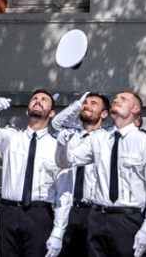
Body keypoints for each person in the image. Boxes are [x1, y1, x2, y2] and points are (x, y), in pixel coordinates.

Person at [56, 91, 146, 257]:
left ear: (135, 109)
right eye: (116, 98)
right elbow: (66, 162)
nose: (117, 100)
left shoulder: (145, 141)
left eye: (123, 99)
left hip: (128, 218)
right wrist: (62, 146)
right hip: (98, 217)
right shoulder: (99, 138)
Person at [0, 90, 60, 257]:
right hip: (9, 212)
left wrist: (58, 230)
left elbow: (64, 191)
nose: (38, 101)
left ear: (52, 113)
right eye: (34, 99)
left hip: (40, 213)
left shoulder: (57, 146)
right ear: (27, 110)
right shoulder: (11, 137)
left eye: (44, 100)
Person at [45, 92, 110, 257]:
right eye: (85, 103)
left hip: (96, 210)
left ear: (104, 113)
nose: (87, 105)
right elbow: (57, 122)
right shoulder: (72, 133)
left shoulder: (107, 138)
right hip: (71, 209)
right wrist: (77, 104)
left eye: (93, 103)